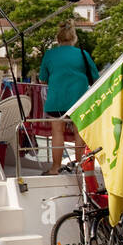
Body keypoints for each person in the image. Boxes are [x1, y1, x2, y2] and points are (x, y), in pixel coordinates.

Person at [39, 19, 99, 170]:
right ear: (74, 37)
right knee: (80, 133)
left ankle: (55, 168)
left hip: (56, 101)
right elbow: (96, 78)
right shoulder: (83, 54)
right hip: (79, 100)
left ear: (58, 38)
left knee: (57, 133)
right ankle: (80, 167)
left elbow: (43, 79)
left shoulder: (50, 54)